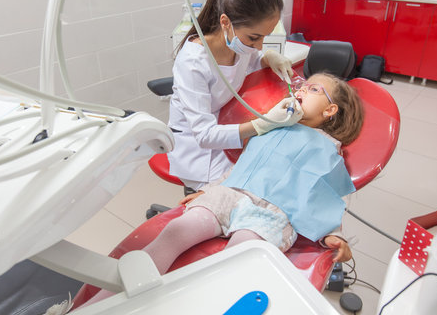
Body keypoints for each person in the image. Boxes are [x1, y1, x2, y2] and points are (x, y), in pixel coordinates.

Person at [144, 72, 365, 275]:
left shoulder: (327, 147)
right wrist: (209, 190)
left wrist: (335, 233)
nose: (301, 91)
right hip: (230, 194)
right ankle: (121, 290)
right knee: (177, 230)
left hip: (272, 211)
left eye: (313, 89)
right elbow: (244, 166)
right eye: (302, 87)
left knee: (240, 257)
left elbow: (327, 195)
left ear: (329, 110)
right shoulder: (274, 124)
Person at [168, 0, 302, 191]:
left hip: (227, 123)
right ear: (225, 22)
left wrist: (268, 58)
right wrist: (263, 124)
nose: (259, 45)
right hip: (198, 149)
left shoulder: (238, 44)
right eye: (254, 37)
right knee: (244, 193)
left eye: (264, 37)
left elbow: (252, 59)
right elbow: (205, 135)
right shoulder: (193, 62)